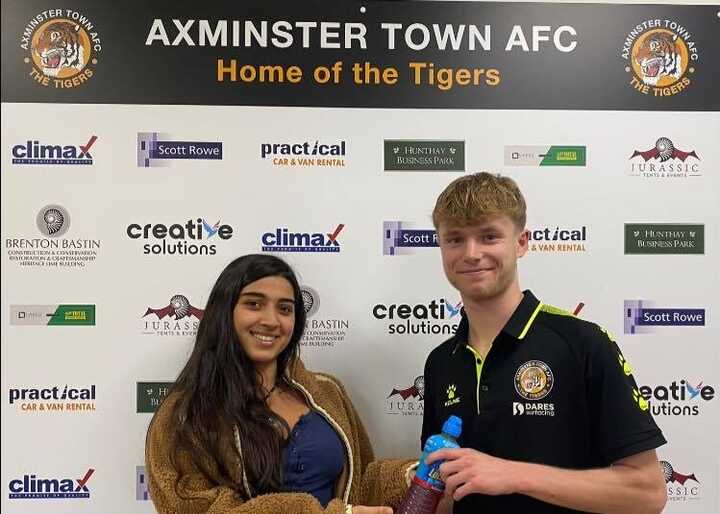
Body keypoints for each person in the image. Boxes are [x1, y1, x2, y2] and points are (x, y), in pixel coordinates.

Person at [421, 173, 667, 514]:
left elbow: (647, 492)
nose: (472, 253)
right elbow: (448, 490)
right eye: (455, 239)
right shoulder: (441, 361)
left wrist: (513, 475)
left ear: (521, 242)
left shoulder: (582, 343)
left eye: (489, 236)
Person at [146, 254, 412, 514]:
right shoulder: (185, 412)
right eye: (254, 304)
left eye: (285, 308)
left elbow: (359, 484)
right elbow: (192, 507)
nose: (272, 321)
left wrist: (410, 476)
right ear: (224, 312)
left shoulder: (327, 391)